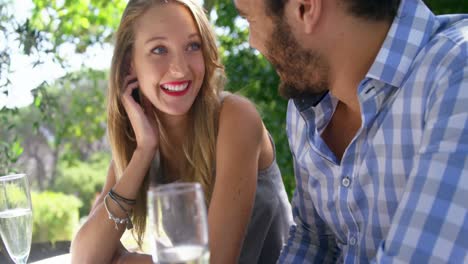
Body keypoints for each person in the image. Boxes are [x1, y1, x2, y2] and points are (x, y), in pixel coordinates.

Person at [234, 0, 468, 262]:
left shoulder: (458, 72)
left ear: (306, 8)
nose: (252, 42)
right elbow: (313, 241)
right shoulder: (307, 111)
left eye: (249, 20)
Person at [70, 0, 293, 263]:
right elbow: (85, 258)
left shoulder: (236, 118)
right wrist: (143, 153)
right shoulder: (140, 143)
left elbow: (215, 261)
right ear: (130, 64)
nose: (179, 68)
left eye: (192, 46)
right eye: (159, 49)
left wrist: (128, 261)